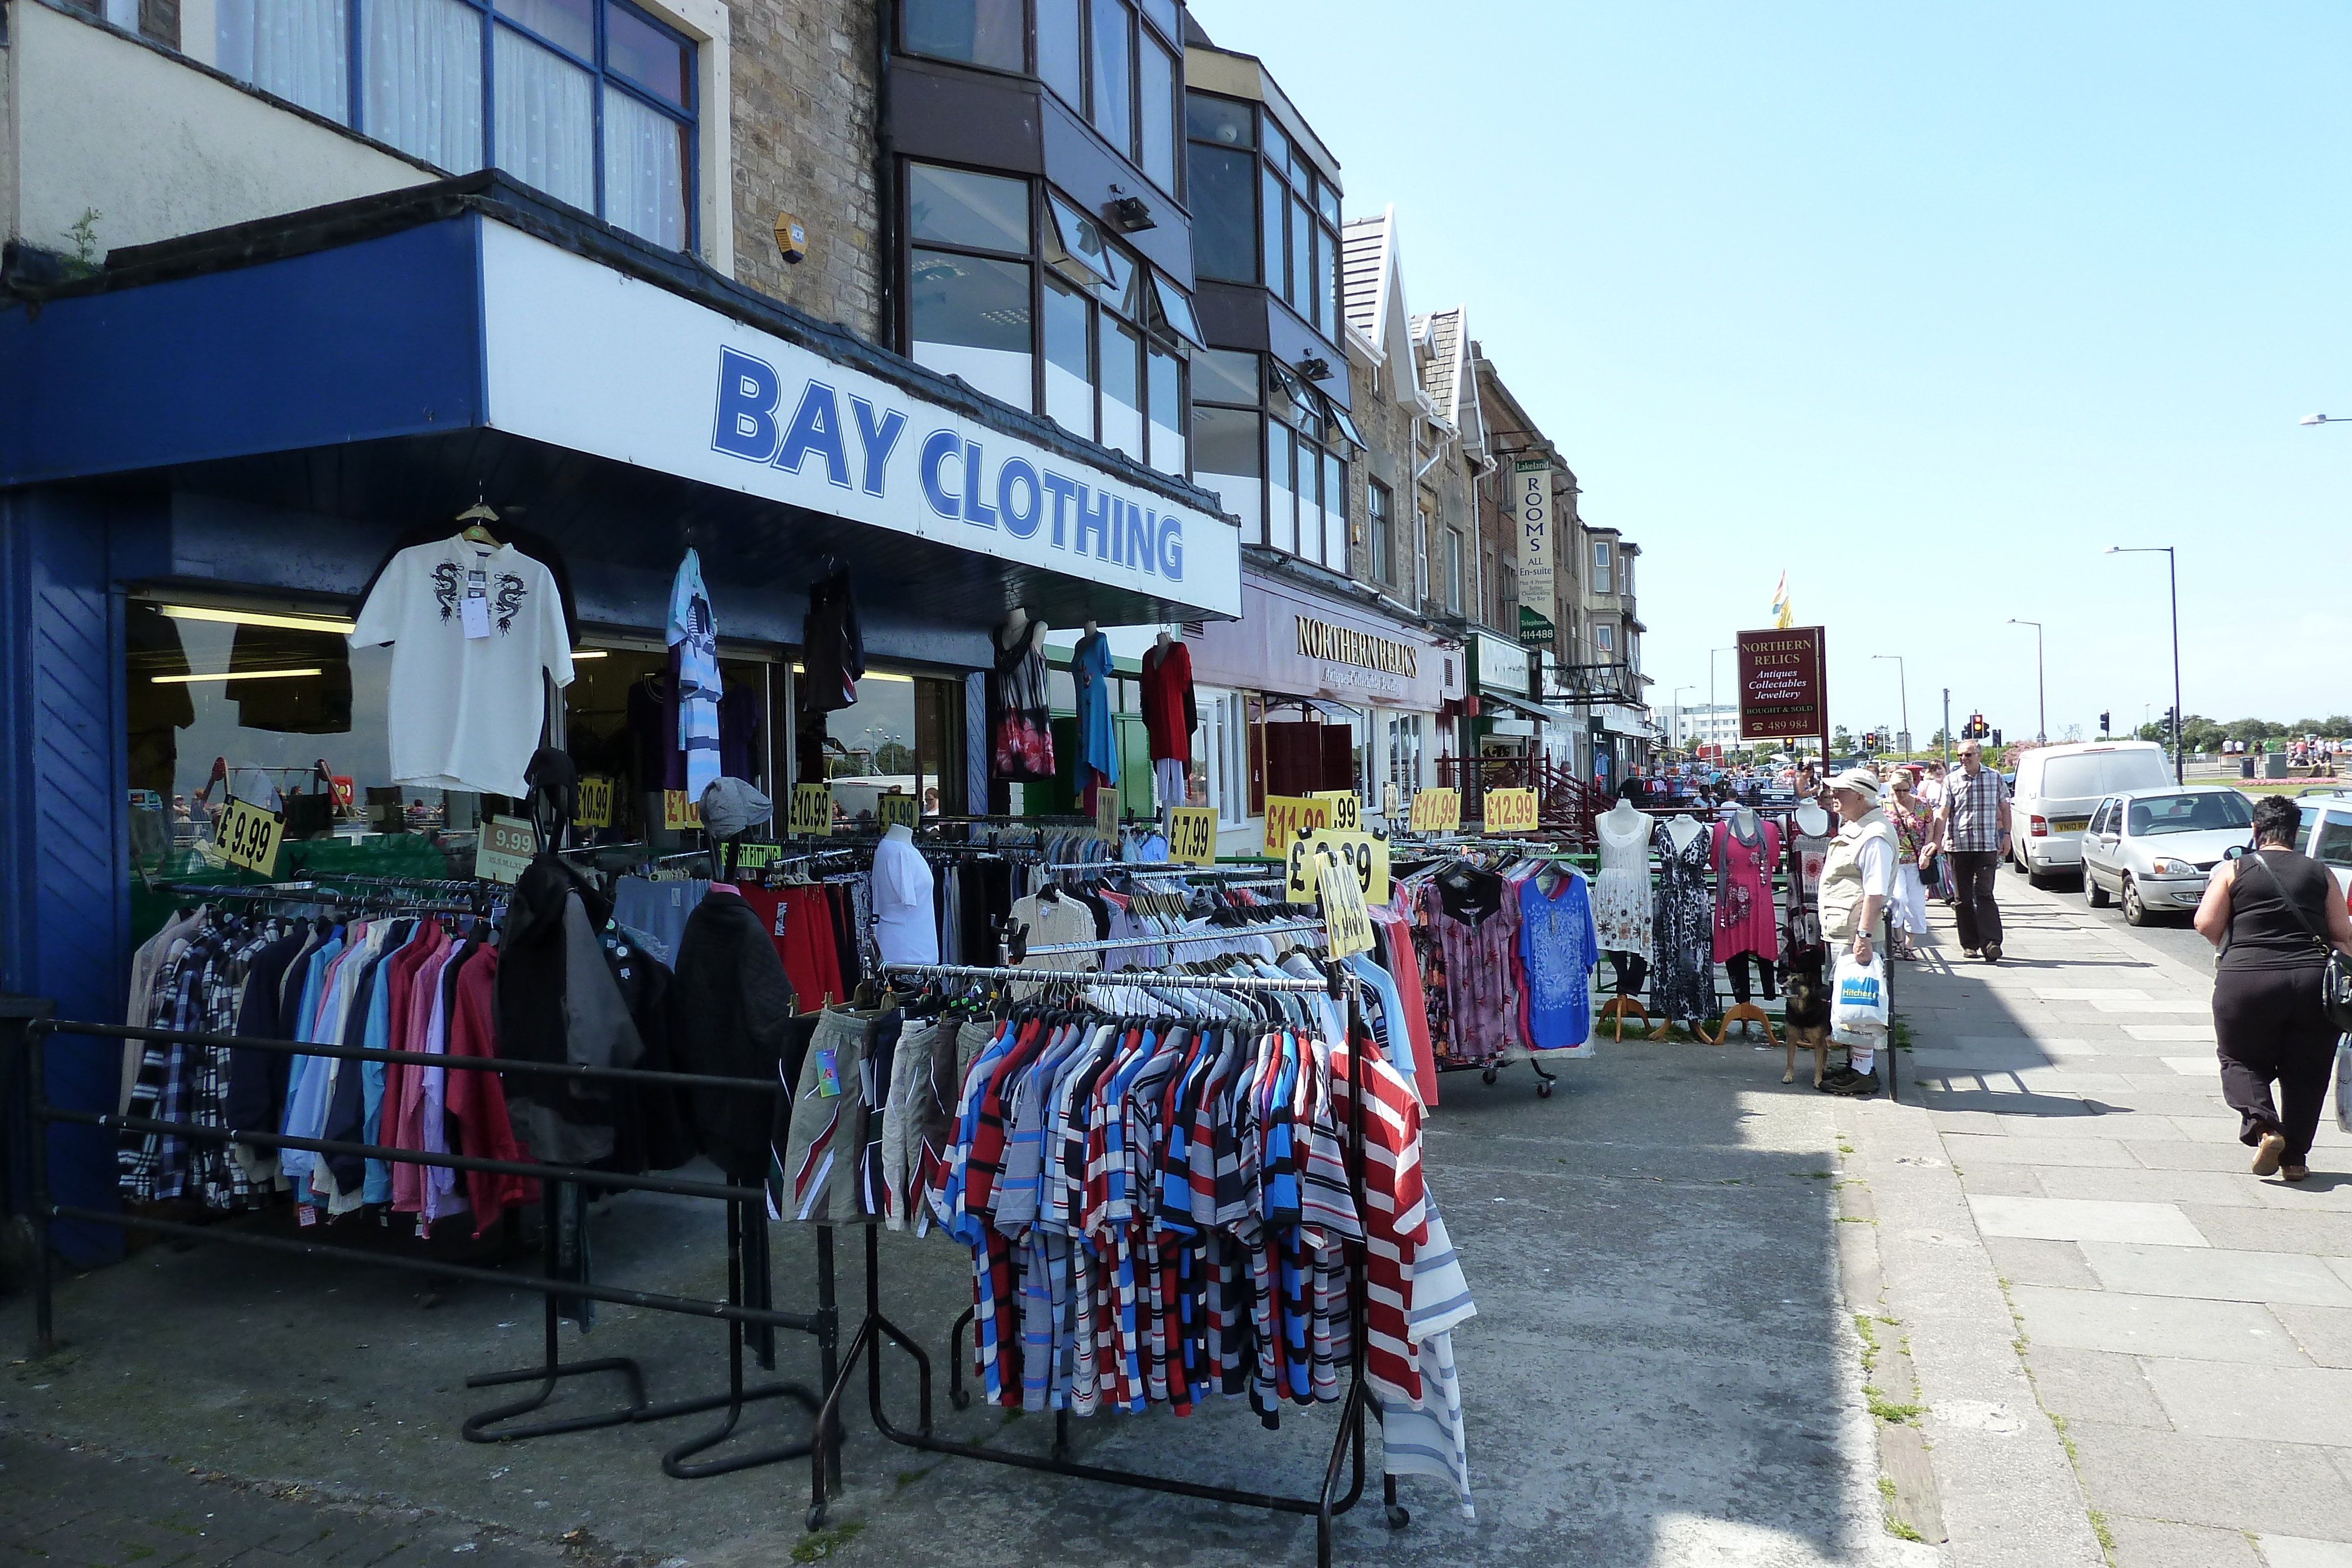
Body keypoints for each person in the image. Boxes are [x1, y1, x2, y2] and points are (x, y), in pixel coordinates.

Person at [2193, 795, 2352, 1181]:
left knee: (2239, 1059)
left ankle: (2266, 1128)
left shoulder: (2235, 869)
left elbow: (2205, 923)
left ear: (2255, 830)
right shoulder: (2320, 872)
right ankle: (2295, 1160)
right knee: (2308, 1072)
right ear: (2296, 833)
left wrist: (2234, 945)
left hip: (2247, 980)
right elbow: (2343, 935)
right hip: (2312, 984)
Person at [1818, 768, 1899, 1096]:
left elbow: (1875, 892)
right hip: (1846, 929)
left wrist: (1864, 936)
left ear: (1861, 797)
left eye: (1840, 792)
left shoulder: (1875, 835)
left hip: (1856, 932)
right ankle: (1858, 1064)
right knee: (1850, 999)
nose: (1833, 796)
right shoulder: (1861, 828)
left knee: (1860, 1000)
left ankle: (1864, 1072)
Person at [1932, 740, 2011, 961]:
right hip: (1959, 846)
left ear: (1979, 755)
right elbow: (1943, 812)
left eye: (1968, 755)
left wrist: (2006, 836)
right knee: (1962, 898)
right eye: (1960, 756)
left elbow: (2005, 807)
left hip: (1986, 845)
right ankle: (1970, 944)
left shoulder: (1994, 778)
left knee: (1984, 893)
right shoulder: (1951, 780)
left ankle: (1992, 943)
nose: (1963, 759)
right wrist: (1937, 840)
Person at [1882, 767, 1933, 960]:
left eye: (1905, 790)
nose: (1901, 795)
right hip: (1893, 862)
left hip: (1917, 861)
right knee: (1898, 900)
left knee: (1917, 905)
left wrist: (1927, 851)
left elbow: (1930, 830)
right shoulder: (1883, 805)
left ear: (1911, 787)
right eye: (1897, 790)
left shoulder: (1922, 805)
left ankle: (1909, 945)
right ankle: (1897, 939)